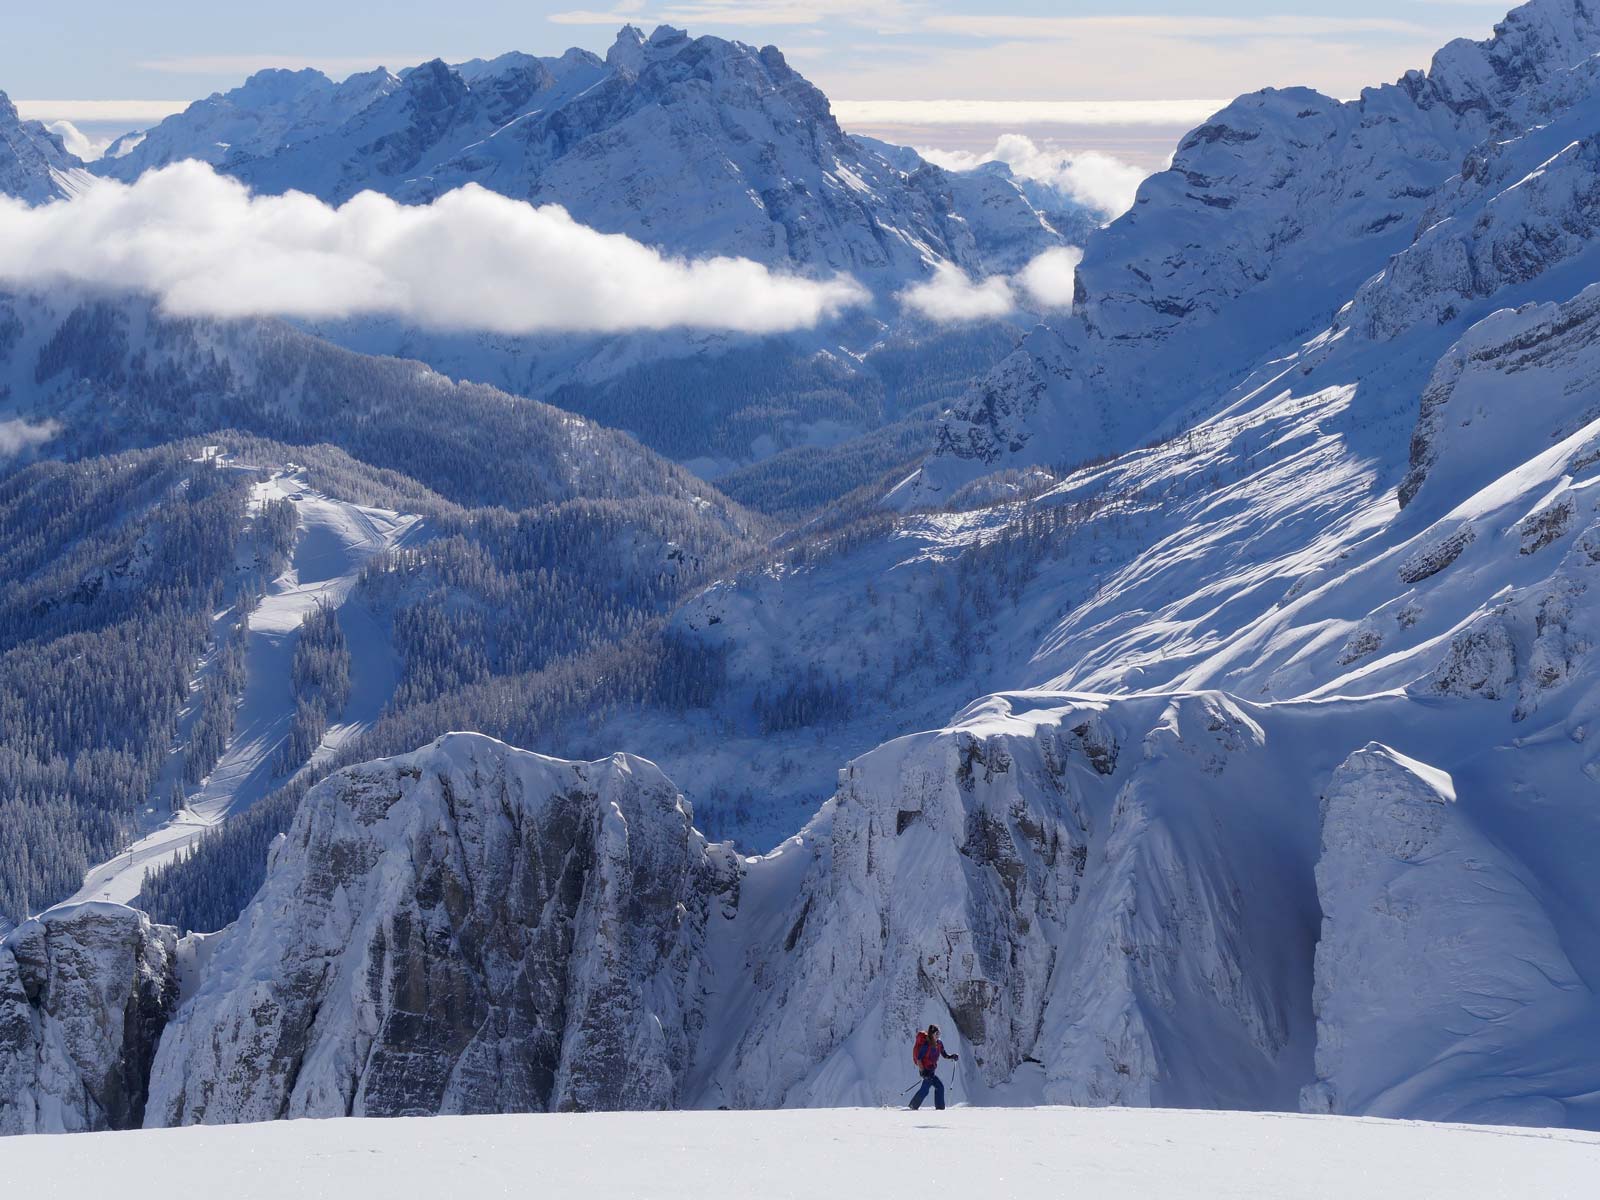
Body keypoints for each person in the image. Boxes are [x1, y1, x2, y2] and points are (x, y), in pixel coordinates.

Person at [909, 1023, 958, 1111]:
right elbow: (919, 1059)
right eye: (936, 1034)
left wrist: (952, 1056)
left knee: (937, 1087)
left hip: (931, 1071)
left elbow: (944, 1054)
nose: (938, 1036)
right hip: (926, 1071)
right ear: (931, 1034)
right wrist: (922, 1072)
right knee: (928, 1089)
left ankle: (916, 1106)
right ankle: (914, 1107)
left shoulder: (939, 1044)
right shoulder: (926, 1046)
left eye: (939, 1034)